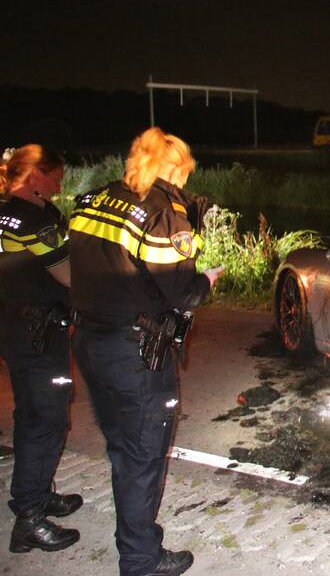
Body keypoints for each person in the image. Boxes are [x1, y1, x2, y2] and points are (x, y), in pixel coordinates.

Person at [68, 128, 221, 576]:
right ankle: (140, 559)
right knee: (143, 453)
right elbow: (181, 292)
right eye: (184, 175)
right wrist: (206, 281)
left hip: (90, 343)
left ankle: (133, 539)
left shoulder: (93, 199)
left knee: (122, 447)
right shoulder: (164, 210)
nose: (185, 185)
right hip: (136, 353)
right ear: (174, 169)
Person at [0, 144, 81, 554]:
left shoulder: (4, 211)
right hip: (39, 331)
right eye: (55, 176)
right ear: (33, 176)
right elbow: (67, 275)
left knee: (30, 411)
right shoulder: (33, 220)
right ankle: (29, 518)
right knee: (47, 417)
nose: (60, 184)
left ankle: (38, 491)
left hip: (13, 327)